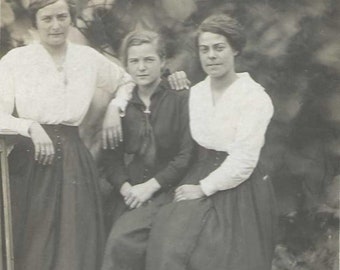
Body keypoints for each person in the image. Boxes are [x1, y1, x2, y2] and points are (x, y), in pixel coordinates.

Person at [0, 0, 135, 269]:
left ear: (71, 19)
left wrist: (114, 107)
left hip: (75, 161)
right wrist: (30, 127)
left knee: (75, 244)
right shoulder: (16, 60)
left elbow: (126, 82)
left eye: (62, 17)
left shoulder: (87, 58)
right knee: (34, 244)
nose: (56, 25)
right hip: (31, 163)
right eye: (47, 18)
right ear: (35, 22)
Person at [146, 14, 277, 270]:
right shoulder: (196, 93)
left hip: (240, 187)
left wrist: (203, 188)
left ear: (235, 49)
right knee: (167, 240)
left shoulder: (254, 97)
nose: (211, 56)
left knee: (221, 255)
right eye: (204, 50)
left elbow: (244, 159)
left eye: (219, 48)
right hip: (199, 171)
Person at [100, 30, 194, 270]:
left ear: (163, 62)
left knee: (134, 244)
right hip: (131, 191)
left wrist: (149, 187)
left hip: (169, 188)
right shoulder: (122, 104)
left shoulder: (180, 98)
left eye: (149, 60)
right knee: (113, 241)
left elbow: (186, 155)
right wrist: (126, 188)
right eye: (134, 61)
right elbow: (111, 160)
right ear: (126, 66)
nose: (141, 67)